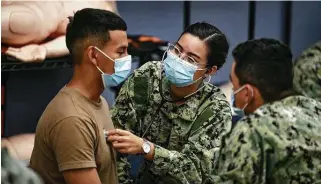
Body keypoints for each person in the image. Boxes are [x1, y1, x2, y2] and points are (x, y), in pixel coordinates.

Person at [107, 22, 232, 184]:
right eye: (177, 50)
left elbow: (195, 173)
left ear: (209, 70)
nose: (179, 59)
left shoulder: (215, 109)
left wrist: (148, 149)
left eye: (191, 59)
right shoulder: (148, 77)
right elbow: (117, 138)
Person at [29, 8, 131, 184]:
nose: (127, 58)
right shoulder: (73, 119)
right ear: (93, 55)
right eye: (121, 52)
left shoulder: (99, 102)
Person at [207, 38, 321, 183]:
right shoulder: (316, 108)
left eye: (234, 86)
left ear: (247, 93)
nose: (233, 92)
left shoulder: (253, 129)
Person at [1, 1, 118, 62]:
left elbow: (78, 39)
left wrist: (44, 50)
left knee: (18, 21)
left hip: (39, 16)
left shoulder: (106, 14)